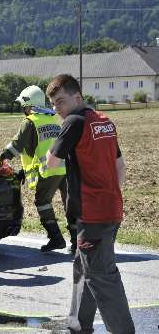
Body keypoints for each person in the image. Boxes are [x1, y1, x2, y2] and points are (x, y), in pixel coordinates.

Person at [45, 74, 134, 334]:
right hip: (110, 209)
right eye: (53, 104)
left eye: (60, 101)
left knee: (101, 277)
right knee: (83, 270)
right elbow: (120, 166)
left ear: (78, 97)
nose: (57, 109)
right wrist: (110, 196)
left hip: (92, 214)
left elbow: (52, 161)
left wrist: (53, 143)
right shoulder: (104, 121)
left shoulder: (74, 121)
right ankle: (78, 327)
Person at [0, 85, 74, 252]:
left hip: (49, 170)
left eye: (23, 106)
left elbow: (16, 146)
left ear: (28, 105)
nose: (23, 110)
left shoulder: (30, 121)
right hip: (66, 167)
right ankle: (77, 241)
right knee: (70, 203)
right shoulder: (54, 118)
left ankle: (56, 238)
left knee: (42, 202)